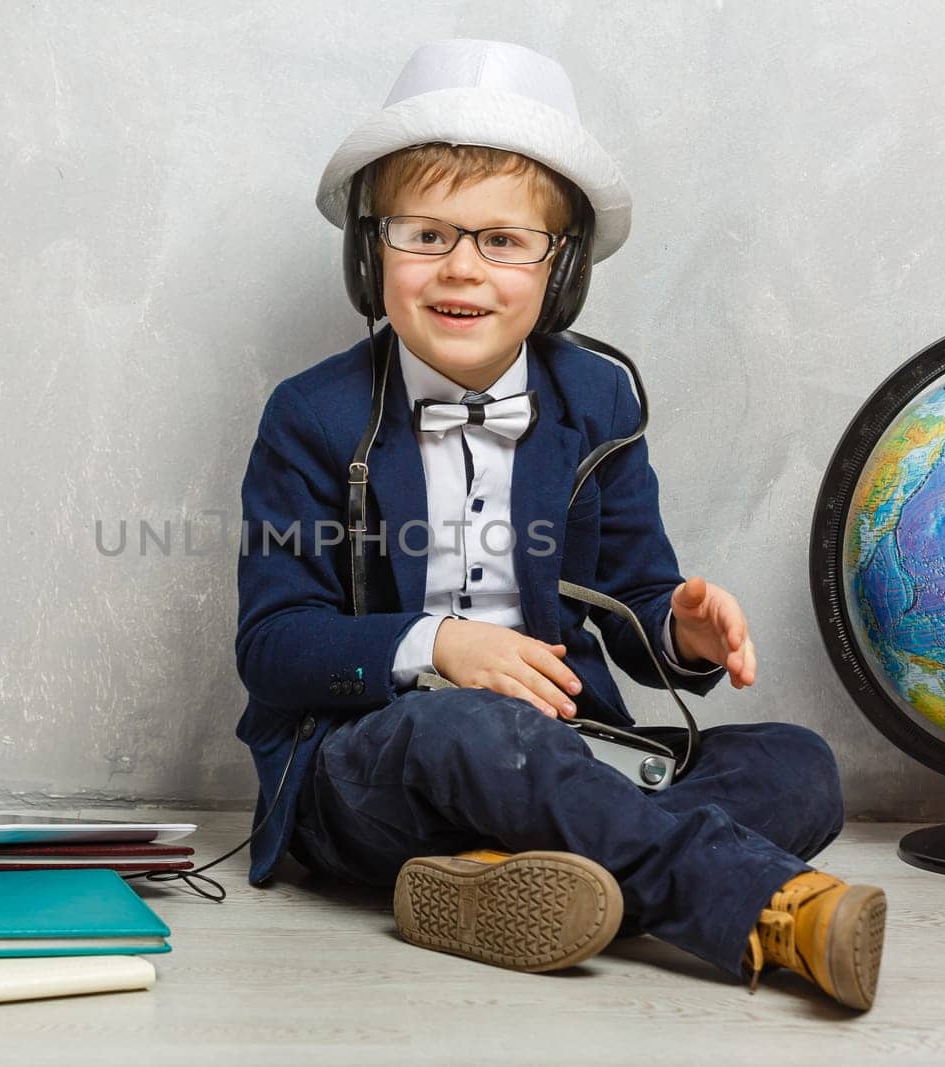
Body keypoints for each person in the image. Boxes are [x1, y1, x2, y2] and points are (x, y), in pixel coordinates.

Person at [233, 39, 886, 1010]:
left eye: (502, 239)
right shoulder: (311, 414)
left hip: (570, 745)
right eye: (425, 234)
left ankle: (507, 876)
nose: (461, 268)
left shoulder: (596, 400)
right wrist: (439, 644)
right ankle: (770, 908)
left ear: (560, 267)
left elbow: (633, 587)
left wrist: (678, 626)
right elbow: (273, 645)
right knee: (469, 732)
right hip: (375, 762)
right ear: (373, 249)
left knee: (800, 764)